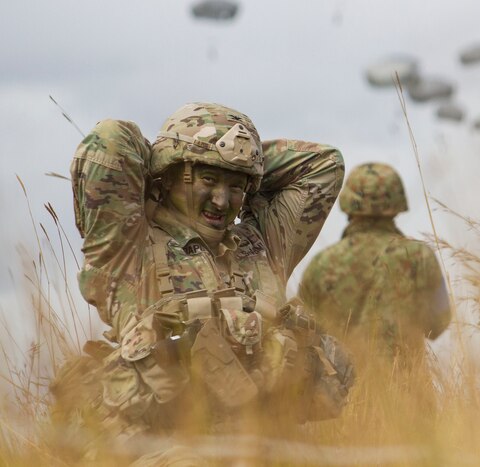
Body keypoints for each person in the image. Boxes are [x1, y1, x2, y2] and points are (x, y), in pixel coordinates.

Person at [52, 103, 353, 462]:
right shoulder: (128, 246)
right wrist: (175, 153)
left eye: (236, 187)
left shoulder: (265, 244)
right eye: (208, 180)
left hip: (262, 445)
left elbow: (324, 164)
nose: (222, 200)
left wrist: (242, 158)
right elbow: (108, 141)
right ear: (171, 174)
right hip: (160, 449)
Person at [299, 162, 451, 365]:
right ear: (397, 203)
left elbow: (303, 331)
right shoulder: (419, 256)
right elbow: (438, 324)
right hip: (407, 391)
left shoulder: (321, 264)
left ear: (347, 202)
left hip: (339, 393)